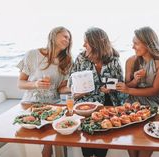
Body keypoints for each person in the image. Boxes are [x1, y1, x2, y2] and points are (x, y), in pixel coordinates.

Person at [17, 26, 73, 157]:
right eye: (65, 36)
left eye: (69, 39)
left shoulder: (68, 60)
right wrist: (35, 84)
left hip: (53, 105)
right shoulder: (32, 54)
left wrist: (73, 89)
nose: (67, 40)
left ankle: (48, 151)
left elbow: (61, 89)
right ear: (54, 35)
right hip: (31, 103)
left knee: (56, 137)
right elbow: (20, 83)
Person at [70, 27, 126, 157]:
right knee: (88, 147)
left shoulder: (114, 60)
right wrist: (92, 90)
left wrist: (111, 88)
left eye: (86, 42)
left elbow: (120, 84)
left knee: (102, 147)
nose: (83, 45)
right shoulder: (81, 58)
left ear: (96, 44)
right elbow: (72, 83)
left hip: (107, 104)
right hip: (85, 103)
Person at [116, 26, 159, 157]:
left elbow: (155, 91)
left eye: (136, 43)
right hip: (132, 102)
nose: (133, 47)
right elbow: (128, 85)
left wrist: (128, 89)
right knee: (131, 140)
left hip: (156, 103)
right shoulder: (130, 61)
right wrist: (134, 81)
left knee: (150, 137)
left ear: (147, 44)